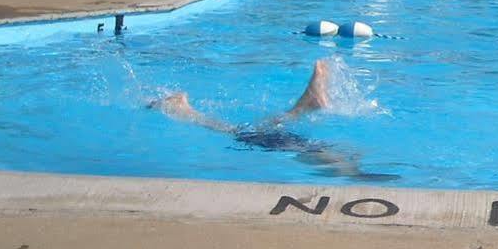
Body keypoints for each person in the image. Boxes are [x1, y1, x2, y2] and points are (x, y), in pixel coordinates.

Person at [150, 59, 396, 181]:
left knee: (243, 132)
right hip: (308, 148)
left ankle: (305, 105)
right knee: (244, 132)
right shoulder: (346, 169)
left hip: (305, 147)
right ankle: (305, 105)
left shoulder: (343, 167)